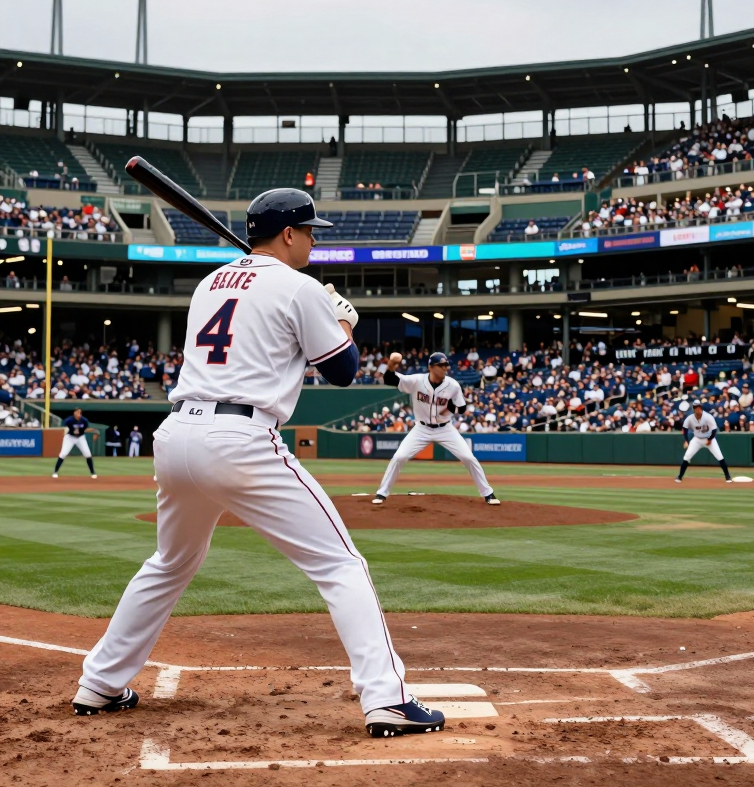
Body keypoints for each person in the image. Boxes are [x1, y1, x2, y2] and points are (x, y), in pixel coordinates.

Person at [71, 188, 444, 738]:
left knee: (169, 562)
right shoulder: (299, 286)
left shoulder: (209, 282)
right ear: (288, 234)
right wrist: (343, 320)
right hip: (240, 438)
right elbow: (343, 371)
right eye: (310, 232)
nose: (314, 242)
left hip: (177, 435)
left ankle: (100, 682)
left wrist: (319, 312)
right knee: (341, 565)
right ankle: (387, 699)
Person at [373, 352, 499, 505]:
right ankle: (382, 493)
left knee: (468, 458)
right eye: (441, 365)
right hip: (421, 429)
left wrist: (451, 407)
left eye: (446, 365)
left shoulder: (453, 385)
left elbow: (462, 408)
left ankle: (488, 493)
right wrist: (392, 364)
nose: (445, 368)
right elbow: (389, 379)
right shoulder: (417, 380)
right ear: (431, 367)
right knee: (399, 457)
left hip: (445, 429)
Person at [675, 400, 732, 482]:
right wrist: (686, 440)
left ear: (701, 408)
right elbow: (684, 429)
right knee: (687, 456)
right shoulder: (690, 418)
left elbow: (714, 430)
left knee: (719, 456)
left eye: (699, 407)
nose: (698, 409)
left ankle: (727, 476)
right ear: (694, 409)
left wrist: (710, 439)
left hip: (709, 439)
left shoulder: (708, 417)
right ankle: (679, 476)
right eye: (696, 408)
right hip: (697, 439)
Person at [52, 408, 96, 479]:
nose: (79, 414)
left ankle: (93, 472)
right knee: (63, 454)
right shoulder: (69, 420)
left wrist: (94, 431)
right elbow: (65, 426)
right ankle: (55, 472)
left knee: (88, 454)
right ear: (74, 413)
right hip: (70, 437)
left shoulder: (84, 420)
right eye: (77, 412)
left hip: (80, 437)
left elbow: (85, 428)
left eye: (80, 412)